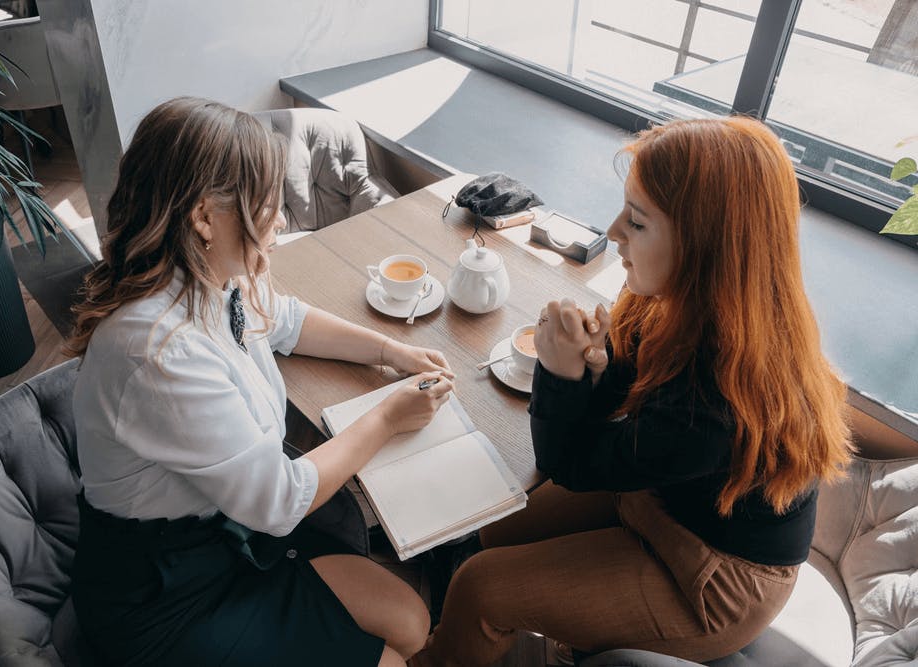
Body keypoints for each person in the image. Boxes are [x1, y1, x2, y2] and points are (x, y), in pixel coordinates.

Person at [411, 117, 853, 666]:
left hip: (718, 577)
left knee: (482, 587)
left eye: (638, 223)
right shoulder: (673, 302)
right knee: (486, 531)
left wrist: (560, 372)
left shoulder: (721, 397)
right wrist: (593, 366)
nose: (614, 230)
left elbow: (570, 465)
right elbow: (609, 416)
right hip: (660, 498)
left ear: (703, 246)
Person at [65, 97, 455, 667]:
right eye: (268, 204)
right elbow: (279, 499)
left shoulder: (209, 275)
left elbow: (287, 319)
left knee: (413, 624)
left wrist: (389, 351)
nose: (280, 219)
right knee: (395, 658)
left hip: (226, 528)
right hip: (162, 591)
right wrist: (387, 417)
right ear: (203, 217)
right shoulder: (155, 353)